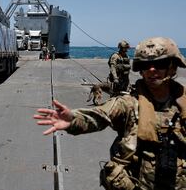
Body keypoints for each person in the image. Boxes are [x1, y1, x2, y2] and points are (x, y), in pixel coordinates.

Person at [34, 37, 186, 190]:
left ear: (173, 67)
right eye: (146, 65)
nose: (152, 70)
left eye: (160, 64)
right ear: (141, 69)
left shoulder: (183, 104)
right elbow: (99, 115)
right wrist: (73, 119)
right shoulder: (129, 103)